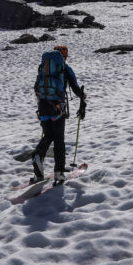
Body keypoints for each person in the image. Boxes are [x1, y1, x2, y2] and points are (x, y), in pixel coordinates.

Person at [31, 44, 86, 185]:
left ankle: (38, 156)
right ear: (64, 56)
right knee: (59, 139)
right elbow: (74, 87)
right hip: (57, 108)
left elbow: (36, 87)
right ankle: (59, 173)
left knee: (48, 135)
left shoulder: (43, 68)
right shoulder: (65, 69)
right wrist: (82, 96)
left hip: (43, 106)